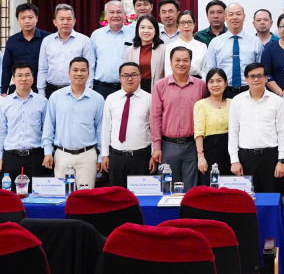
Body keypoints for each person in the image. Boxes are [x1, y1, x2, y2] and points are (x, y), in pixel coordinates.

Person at [42, 57, 103, 190]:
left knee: (85, 197)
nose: (79, 73)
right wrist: (48, 152)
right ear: (69, 73)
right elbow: (49, 126)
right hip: (62, 155)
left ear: (88, 74)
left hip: (87, 156)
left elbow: (100, 130)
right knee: (63, 196)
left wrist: (101, 156)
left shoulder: (97, 99)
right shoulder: (56, 97)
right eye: (75, 70)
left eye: (83, 70)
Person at [151, 47, 207, 191]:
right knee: (168, 189)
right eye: (177, 60)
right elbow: (155, 117)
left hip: (192, 146)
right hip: (168, 146)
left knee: (191, 190)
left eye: (185, 60)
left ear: (190, 62)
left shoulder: (201, 85)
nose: (181, 63)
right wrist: (156, 147)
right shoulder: (160, 86)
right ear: (170, 62)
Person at [228, 63, 284, 193]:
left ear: (266, 78)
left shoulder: (277, 101)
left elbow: (282, 132)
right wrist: (234, 161)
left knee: (270, 197)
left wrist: (281, 160)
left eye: (260, 76)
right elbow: (233, 132)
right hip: (246, 157)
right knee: (247, 200)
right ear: (246, 79)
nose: (256, 79)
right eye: (252, 76)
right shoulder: (237, 101)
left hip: (271, 157)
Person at [0, 63, 51, 186]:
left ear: (33, 78)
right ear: (13, 79)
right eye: (19, 75)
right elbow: (0, 131)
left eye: (27, 75)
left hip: (35, 156)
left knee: (36, 194)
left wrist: (48, 152)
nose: (23, 79)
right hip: (11, 157)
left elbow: (47, 130)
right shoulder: (4, 103)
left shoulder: (42, 102)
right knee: (10, 195)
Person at [99, 62, 155, 188]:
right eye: (125, 75)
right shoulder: (111, 99)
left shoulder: (149, 99)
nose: (130, 79)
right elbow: (106, 128)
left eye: (134, 75)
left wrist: (153, 154)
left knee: (141, 195)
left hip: (141, 156)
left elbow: (154, 129)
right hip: (116, 156)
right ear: (120, 78)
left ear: (140, 77)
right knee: (117, 195)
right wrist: (105, 155)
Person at [204, 3, 264, 98]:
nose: (235, 17)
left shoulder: (255, 41)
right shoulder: (215, 42)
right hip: (223, 92)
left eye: (238, 14)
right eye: (231, 14)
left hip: (249, 91)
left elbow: (261, 70)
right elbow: (210, 70)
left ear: (244, 17)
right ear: (225, 18)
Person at [38, 4, 94, 98]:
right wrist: (41, 92)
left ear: (74, 21)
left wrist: (87, 90)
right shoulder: (47, 41)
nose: (65, 22)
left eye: (69, 19)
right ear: (55, 22)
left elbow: (90, 68)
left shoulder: (84, 40)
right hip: (51, 90)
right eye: (61, 19)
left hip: (75, 90)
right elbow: (43, 69)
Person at [193, 69, 232, 187]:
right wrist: (201, 157)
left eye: (219, 81)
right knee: (211, 189)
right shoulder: (201, 104)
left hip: (230, 153)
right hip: (210, 153)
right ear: (207, 85)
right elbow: (199, 132)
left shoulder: (233, 103)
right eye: (211, 81)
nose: (215, 85)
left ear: (225, 83)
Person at [2, 3, 51, 94]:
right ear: (17, 20)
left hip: (44, 88)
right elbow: (7, 67)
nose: (27, 21)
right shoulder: (12, 41)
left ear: (37, 18)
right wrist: (4, 91)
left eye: (30, 17)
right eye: (23, 18)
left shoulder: (48, 38)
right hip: (20, 87)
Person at [90, 0, 131, 98]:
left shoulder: (133, 34)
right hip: (101, 87)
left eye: (119, 12)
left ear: (125, 15)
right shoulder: (96, 35)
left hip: (126, 87)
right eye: (111, 12)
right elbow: (91, 63)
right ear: (106, 15)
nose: (115, 15)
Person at [123, 15, 166, 93]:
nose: (146, 31)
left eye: (150, 28)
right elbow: (125, 75)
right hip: (135, 90)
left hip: (158, 90)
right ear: (138, 30)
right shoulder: (130, 50)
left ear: (155, 31)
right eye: (142, 27)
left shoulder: (164, 49)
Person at [163, 10, 208, 78]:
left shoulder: (202, 46)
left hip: (198, 81)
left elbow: (205, 71)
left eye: (189, 22)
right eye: (182, 23)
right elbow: (168, 71)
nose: (186, 26)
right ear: (177, 25)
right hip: (176, 81)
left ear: (194, 24)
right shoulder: (170, 46)